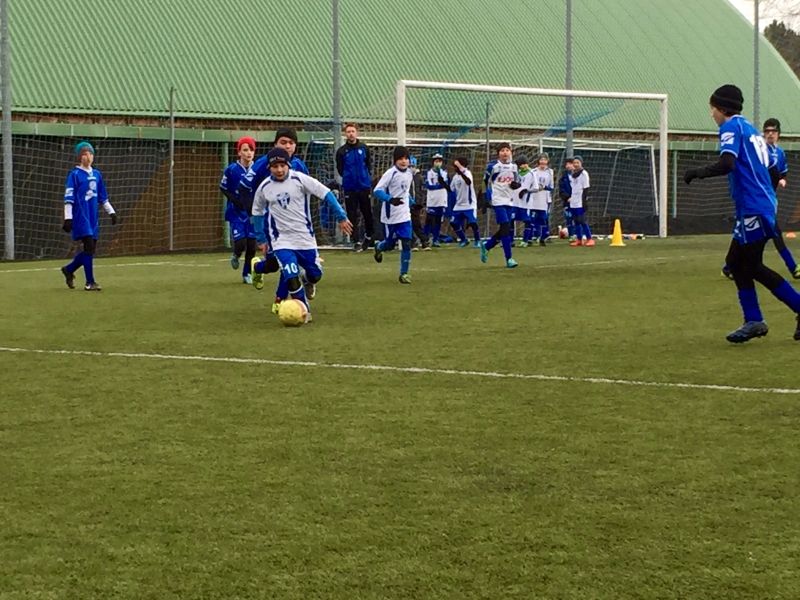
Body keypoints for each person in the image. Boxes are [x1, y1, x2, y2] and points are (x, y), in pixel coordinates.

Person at [684, 84, 800, 343]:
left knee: (750, 265)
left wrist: (696, 173)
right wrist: (766, 198)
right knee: (737, 263)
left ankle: (765, 316)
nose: (712, 114)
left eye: (713, 109)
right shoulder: (751, 130)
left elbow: (727, 163)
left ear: (722, 109)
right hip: (759, 205)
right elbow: (771, 169)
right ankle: (754, 320)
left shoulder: (730, 128)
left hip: (754, 208)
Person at [251, 148, 352, 323]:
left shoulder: (300, 179)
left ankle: (307, 280)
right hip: (281, 241)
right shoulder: (264, 187)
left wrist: (341, 217)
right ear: (269, 167)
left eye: (282, 165)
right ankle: (304, 312)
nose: (279, 170)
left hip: (305, 240)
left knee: (315, 275)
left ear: (288, 165)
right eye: (275, 166)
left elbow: (326, 193)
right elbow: (257, 212)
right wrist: (261, 238)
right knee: (291, 275)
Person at [721, 117, 799, 280]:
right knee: (773, 234)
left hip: (766, 201)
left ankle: (729, 267)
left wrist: (782, 180)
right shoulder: (759, 149)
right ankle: (793, 267)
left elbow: (782, 173)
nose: (770, 134)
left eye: (773, 131)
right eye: (767, 131)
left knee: (742, 234)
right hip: (755, 200)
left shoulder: (780, 153)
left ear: (779, 134)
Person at [242, 128, 308, 312]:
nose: (287, 146)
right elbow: (243, 187)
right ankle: (258, 267)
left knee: (288, 262)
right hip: (269, 224)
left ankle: (280, 300)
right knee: (272, 264)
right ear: (275, 145)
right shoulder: (262, 164)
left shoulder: (299, 166)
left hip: (292, 225)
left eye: (291, 143)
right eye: (283, 142)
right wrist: (254, 215)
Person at [60, 141, 118, 291]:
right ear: (80, 157)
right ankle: (90, 282)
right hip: (81, 216)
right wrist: (68, 218)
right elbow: (69, 198)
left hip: (93, 218)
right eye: (85, 154)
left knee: (89, 251)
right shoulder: (74, 175)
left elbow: (103, 197)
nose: (89, 156)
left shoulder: (97, 174)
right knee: (89, 246)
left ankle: (69, 269)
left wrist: (111, 212)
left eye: (91, 153)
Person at [372, 146, 415, 284]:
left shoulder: (409, 173)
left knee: (407, 242)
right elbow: (377, 191)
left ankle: (404, 274)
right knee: (390, 245)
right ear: (395, 160)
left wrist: (412, 203)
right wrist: (390, 199)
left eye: (406, 158)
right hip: (390, 216)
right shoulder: (390, 173)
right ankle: (379, 247)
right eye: (400, 158)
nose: (404, 161)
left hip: (405, 215)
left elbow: (405, 192)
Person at [219, 136, 257, 284]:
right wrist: (234, 200)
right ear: (239, 152)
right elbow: (223, 187)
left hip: (252, 212)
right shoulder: (231, 170)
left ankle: (247, 273)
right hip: (237, 212)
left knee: (252, 245)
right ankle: (236, 254)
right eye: (245, 150)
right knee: (241, 243)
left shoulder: (257, 169)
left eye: (251, 150)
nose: (249, 153)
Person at [480, 142, 520, 267]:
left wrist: (516, 185)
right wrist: (485, 198)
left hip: (510, 201)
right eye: (502, 150)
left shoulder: (514, 167)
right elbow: (485, 182)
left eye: (507, 150)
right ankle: (509, 259)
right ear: (498, 153)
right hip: (497, 201)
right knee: (506, 227)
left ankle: (487, 246)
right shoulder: (493, 167)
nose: (505, 153)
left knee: (505, 229)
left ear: (511, 152)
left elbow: (517, 182)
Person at [335, 123, 374, 251]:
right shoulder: (341, 151)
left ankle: (369, 236)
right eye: (348, 132)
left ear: (356, 133)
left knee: (367, 213)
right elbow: (340, 169)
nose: (351, 134)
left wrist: (365, 178)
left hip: (364, 186)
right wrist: (349, 178)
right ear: (345, 134)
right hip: (350, 187)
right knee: (352, 214)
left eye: (353, 131)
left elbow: (368, 164)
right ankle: (356, 241)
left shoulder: (364, 148)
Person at [449, 157, 481, 247]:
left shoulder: (467, 173)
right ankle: (463, 239)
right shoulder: (455, 177)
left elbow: (468, 182)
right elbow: (451, 189)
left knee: (473, 223)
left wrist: (461, 171)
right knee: (453, 223)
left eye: (457, 166)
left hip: (469, 204)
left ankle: (477, 240)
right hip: (458, 205)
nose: (455, 168)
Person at [568, 156, 595, 247]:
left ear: (581, 163)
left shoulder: (584, 173)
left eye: (577, 163)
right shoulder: (572, 174)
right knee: (576, 221)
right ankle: (579, 239)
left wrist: (584, 201)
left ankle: (589, 238)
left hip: (580, 200)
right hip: (574, 200)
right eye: (574, 163)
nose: (576, 164)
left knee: (582, 220)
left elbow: (586, 188)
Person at [423, 153, 450, 247]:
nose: (438, 163)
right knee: (429, 220)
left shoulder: (444, 173)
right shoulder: (429, 173)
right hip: (431, 200)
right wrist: (438, 186)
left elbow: (445, 184)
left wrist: (439, 177)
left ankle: (436, 239)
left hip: (441, 200)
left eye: (440, 161)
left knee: (438, 220)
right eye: (436, 161)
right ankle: (425, 239)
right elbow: (429, 186)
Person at [529, 153, 555, 246]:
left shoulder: (550, 172)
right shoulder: (533, 171)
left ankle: (543, 237)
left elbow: (551, 186)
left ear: (547, 161)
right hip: (534, 197)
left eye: (545, 160)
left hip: (544, 198)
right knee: (532, 218)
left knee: (543, 218)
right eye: (541, 160)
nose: (543, 162)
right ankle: (531, 237)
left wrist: (544, 187)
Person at [512, 155, 534, 247]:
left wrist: (526, 191)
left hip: (526, 202)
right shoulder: (517, 173)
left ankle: (526, 240)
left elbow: (536, 187)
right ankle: (510, 240)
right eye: (521, 165)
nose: (523, 166)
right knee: (511, 219)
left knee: (527, 220)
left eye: (524, 164)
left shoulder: (532, 173)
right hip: (515, 201)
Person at [558, 157, 575, 239]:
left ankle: (579, 234)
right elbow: (561, 190)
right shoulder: (563, 177)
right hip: (567, 202)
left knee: (579, 218)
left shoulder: (580, 175)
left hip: (578, 201)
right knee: (569, 218)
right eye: (567, 164)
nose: (568, 166)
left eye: (570, 164)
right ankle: (571, 235)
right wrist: (567, 197)